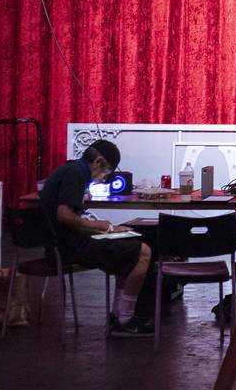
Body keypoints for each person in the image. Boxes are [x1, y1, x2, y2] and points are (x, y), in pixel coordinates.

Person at [40, 139, 155, 337]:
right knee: (143, 252)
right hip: (68, 248)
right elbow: (64, 216)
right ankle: (125, 320)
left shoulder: (70, 169)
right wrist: (100, 226)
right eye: (106, 172)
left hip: (60, 245)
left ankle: (118, 316)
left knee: (125, 249)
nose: (104, 179)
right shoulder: (75, 174)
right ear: (99, 162)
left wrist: (107, 230)